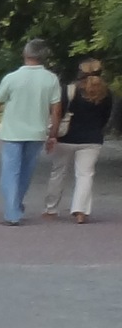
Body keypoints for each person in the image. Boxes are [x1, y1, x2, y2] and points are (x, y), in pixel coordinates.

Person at [0, 38, 64, 224]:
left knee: (10, 173)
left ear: (25, 54)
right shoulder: (51, 79)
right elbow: (56, 110)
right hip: (36, 133)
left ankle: (12, 213)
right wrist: (53, 134)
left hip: (13, 132)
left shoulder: (12, 78)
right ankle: (16, 205)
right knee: (25, 173)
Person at [46, 66, 110, 222]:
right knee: (85, 175)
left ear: (80, 72)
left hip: (66, 138)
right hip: (92, 139)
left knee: (58, 173)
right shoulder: (106, 93)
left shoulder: (69, 90)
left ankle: (51, 209)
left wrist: (52, 135)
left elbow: (57, 113)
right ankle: (80, 211)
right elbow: (106, 117)